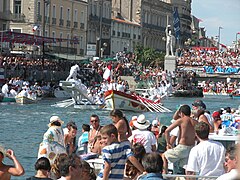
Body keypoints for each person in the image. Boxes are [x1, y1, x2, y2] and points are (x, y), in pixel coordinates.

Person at [162, 105, 196, 174]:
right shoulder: (195, 122)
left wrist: (168, 143)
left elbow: (167, 131)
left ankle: (165, 175)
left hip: (182, 147)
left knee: (164, 156)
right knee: (187, 169)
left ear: (182, 113)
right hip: (191, 148)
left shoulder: (181, 120)